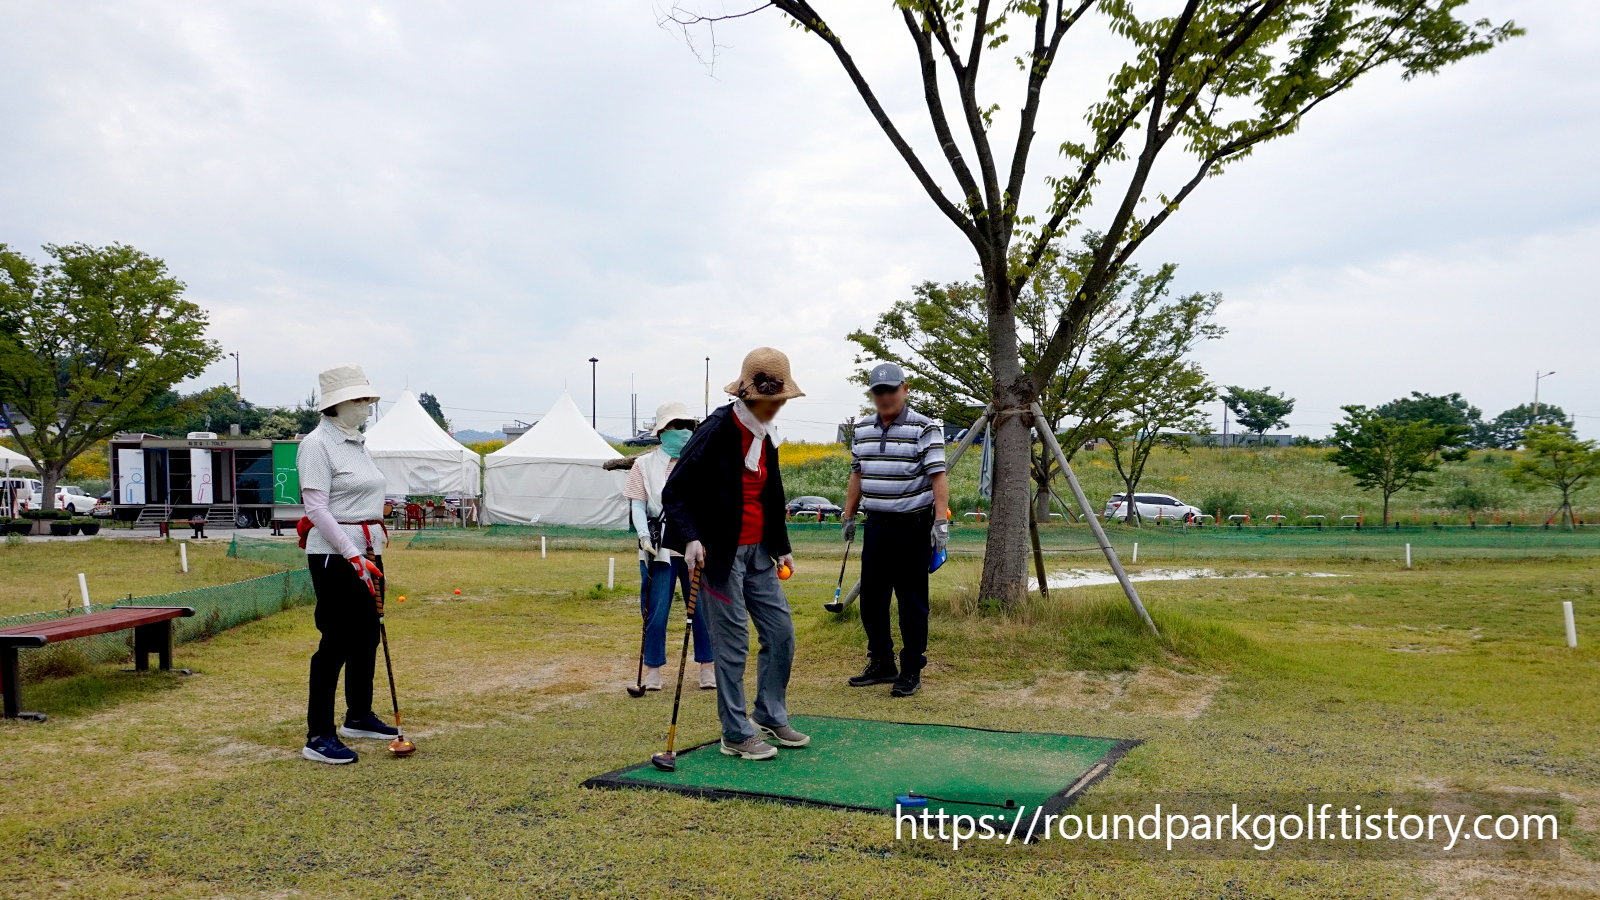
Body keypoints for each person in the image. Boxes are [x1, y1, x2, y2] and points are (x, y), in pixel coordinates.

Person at [663, 347, 806, 761]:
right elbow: (676, 492)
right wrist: (690, 538)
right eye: (774, 400)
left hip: (761, 554)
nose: (778, 407)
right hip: (718, 557)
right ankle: (735, 731)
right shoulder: (714, 431)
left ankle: (769, 713)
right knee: (732, 644)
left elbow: (771, 493)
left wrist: (782, 547)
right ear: (751, 396)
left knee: (781, 634)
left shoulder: (767, 436)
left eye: (781, 400)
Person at [297, 363, 401, 764]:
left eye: (369, 399)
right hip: (333, 554)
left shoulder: (357, 442)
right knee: (336, 642)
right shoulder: (317, 444)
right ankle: (318, 734)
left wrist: (367, 545)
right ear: (337, 405)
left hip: (367, 550)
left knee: (367, 635)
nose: (368, 407)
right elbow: (316, 508)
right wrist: (352, 553)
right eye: (361, 400)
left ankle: (358, 715)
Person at [840, 362, 949, 697]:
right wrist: (848, 515)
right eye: (878, 391)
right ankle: (882, 662)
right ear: (872, 395)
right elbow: (857, 474)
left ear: (905, 389)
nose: (885, 397)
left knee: (911, 601)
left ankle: (911, 668)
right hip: (877, 525)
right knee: (872, 601)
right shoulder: (862, 429)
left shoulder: (924, 427)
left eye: (891, 390)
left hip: (912, 526)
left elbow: (937, 477)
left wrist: (941, 521)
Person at [625, 400, 715, 692]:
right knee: (656, 609)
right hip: (658, 545)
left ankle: (708, 666)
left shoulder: (701, 461)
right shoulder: (644, 464)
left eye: (689, 426)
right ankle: (652, 669)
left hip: (696, 544)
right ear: (663, 431)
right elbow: (638, 505)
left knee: (702, 608)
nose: (685, 432)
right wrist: (642, 535)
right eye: (678, 426)